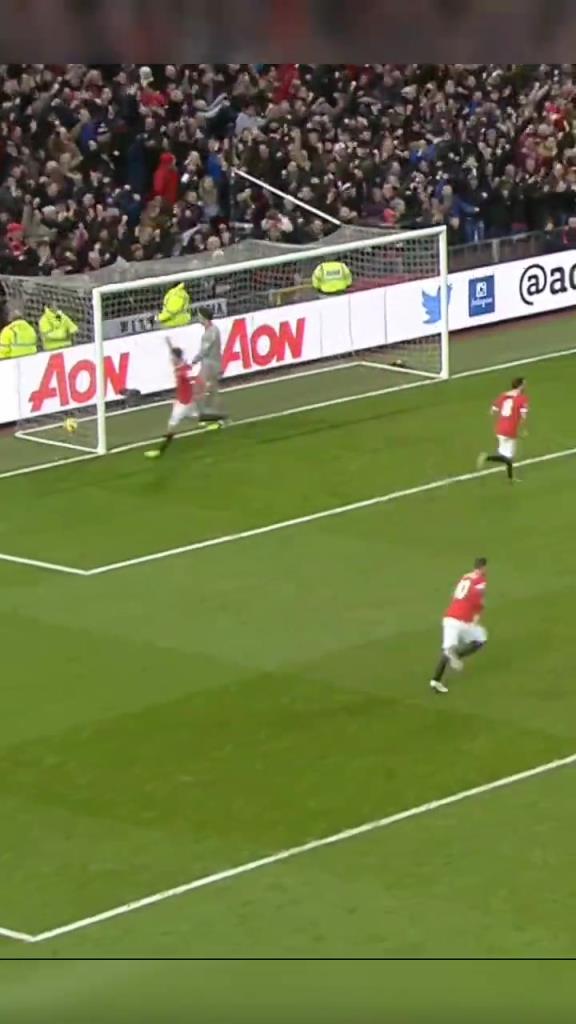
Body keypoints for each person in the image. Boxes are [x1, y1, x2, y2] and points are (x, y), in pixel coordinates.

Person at [144, 338, 219, 459]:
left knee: (171, 426)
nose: (171, 359)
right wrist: (169, 343)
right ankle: (215, 422)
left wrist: (205, 385)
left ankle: (160, 451)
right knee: (195, 417)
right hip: (187, 402)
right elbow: (176, 356)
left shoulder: (183, 371)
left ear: (176, 358)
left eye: (172, 357)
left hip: (183, 403)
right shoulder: (180, 364)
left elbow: (193, 378)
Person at [430, 558, 488, 695]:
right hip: (464, 620)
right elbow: (477, 598)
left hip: (449, 618)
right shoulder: (481, 580)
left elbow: (457, 594)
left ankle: (436, 681)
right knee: (481, 639)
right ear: (483, 568)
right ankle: (455, 655)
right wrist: (478, 611)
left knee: (447, 650)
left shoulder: (465, 577)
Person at [477, 378, 529, 482]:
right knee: (508, 457)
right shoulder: (522, 399)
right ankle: (487, 457)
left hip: (500, 428)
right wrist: (523, 429)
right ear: (520, 386)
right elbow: (523, 416)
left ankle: (510, 478)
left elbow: (492, 411)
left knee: (505, 454)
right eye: (524, 384)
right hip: (510, 430)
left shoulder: (503, 395)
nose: (525, 386)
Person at [192, 307, 228, 424]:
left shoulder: (210, 332)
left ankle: (211, 416)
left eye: (199, 316)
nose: (198, 318)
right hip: (212, 364)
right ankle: (216, 417)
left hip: (210, 366)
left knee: (200, 391)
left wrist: (195, 360)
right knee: (212, 391)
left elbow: (205, 350)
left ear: (204, 317)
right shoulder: (212, 330)